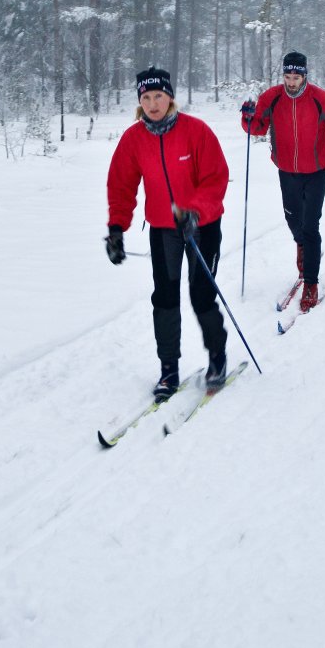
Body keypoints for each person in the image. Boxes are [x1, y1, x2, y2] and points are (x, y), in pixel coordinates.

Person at [106, 67, 231, 399]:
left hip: (202, 225)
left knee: (201, 295)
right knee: (164, 297)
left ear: (170, 97)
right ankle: (168, 369)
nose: (152, 104)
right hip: (163, 229)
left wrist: (195, 211)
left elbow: (216, 178)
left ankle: (217, 358)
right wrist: (116, 229)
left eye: (158, 96)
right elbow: (121, 185)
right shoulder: (133, 139)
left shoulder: (196, 131)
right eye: (146, 98)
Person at [240, 51, 325, 312]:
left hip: (317, 171)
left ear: (304, 76)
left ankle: (311, 282)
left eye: (296, 77)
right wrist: (248, 117)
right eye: (287, 77)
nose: (291, 82)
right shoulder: (272, 97)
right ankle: (303, 247)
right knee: (293, 221)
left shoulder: (320, 99)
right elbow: (258, 128)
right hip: (287, 171)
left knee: (310, 225)